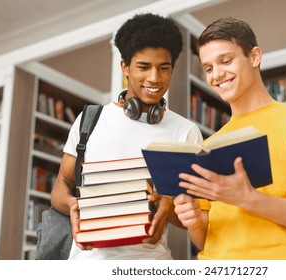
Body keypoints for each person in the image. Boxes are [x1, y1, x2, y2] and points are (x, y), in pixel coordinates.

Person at [173, 17, 286, 260]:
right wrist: (193, 221)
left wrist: (248, 199)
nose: (217, 75)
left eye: (226, 61)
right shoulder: (208, 146)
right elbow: (204, 240)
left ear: (255, 56)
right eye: (209, 68)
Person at [50, 13, 203, 260]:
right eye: (144, 67)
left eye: (164, 68)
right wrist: (73, 205)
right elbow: (61, 186)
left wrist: (167, 204)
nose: (155, 78)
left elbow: (189, 217)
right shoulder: (90, 119)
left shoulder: (185, 132)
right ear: (125, 67)